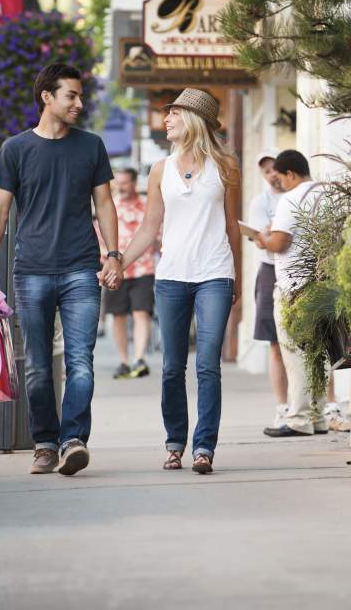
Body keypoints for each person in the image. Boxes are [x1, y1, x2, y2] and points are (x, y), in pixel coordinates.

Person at [0, 63, 123, 476]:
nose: (79, 102)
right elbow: (0, 210)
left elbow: (105, 204)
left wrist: (113, 255)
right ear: (47, 98)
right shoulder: (16, 149)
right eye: (71, 95)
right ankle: (44, 442)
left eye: (80, 96)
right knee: (38, 365)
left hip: (81, 269)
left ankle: (73, 440)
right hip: (32, 270)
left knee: (81, 361)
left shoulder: (91, 146)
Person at [109, 88, 241, 475]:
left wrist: (234, 277)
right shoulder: (158, 171)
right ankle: (174, 443)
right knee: (170, 367)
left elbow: (232, 227)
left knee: (207, 365)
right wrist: (119, 261)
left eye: (174, 114)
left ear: (193, 121)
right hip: (170, 278)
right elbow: (150, 227)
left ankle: (204, 448)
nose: (166, 119)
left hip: (214, 274)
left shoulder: (225, 167)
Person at [254, 150, 329, 437]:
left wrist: (263, 239)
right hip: (324, 282)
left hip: (295, 286)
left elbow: (281, 243)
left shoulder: (291, 198)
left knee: (295, 351)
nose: (279, 183)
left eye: (281, 177)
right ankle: (318, 416)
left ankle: (298, 419)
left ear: (291, 175)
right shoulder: (327, 193)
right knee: (319, 351)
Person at [99, 168, 157, 379]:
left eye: (125, 182)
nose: (121, 187)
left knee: (142, 312)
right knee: (118, 314)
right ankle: (124, 360)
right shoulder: (109, 204)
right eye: (118, 183)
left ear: (134, 182)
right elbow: (98, 236)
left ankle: (139, 358)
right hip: (114, 268)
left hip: (143, 267)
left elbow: (157, 234)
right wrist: (104, 257)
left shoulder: (146, 205)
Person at [248, 149, 289, 428]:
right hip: (270, 270)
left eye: (275, 168)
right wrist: (268, 235)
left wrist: (272, 233)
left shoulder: (297, 194)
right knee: (275, 342)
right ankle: (283, 406)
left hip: (301, 267)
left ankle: (328, 403)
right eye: (266, 171)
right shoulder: (259, 202)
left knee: (317, 339)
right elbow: (260, 239)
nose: (272, 174)